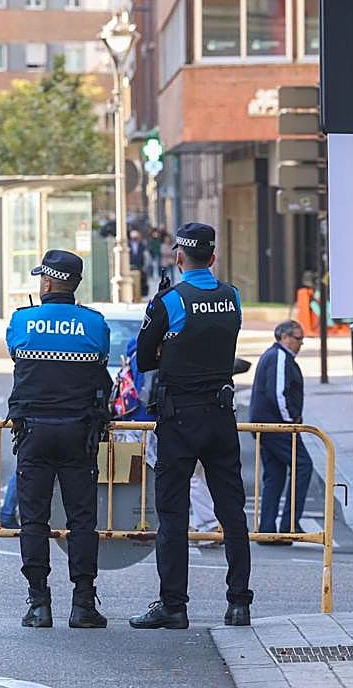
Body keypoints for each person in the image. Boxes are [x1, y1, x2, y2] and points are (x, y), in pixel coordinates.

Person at [129, 222, 252, 630]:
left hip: (179, 418)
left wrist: (169, 348)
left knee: (173, 514)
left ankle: (174, 605)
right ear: (212, 258)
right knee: (232, 512)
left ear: (178, 258)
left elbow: (144, 359)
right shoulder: (231, 295)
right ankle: (238, 604)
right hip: (220, 415)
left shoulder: (170, 301)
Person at [6, 250, 113, 630]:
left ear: (47, 283)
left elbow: (15, 353)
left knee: (33, 519)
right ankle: (83, 603)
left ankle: (39, 603)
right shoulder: (95, 325)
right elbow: (101, 360)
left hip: (34, 434)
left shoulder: (22, 321)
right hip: (78, 435)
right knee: (83, 519)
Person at [249, 320, 312, 536]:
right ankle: (290, 523)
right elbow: (277, 393)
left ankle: (268, 527)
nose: (300, 343)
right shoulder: (280, 357)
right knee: (303, 465)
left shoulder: (276, 356)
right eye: (297, 338)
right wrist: (291, 420)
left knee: (274, 474)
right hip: (277, 426)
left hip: (267, 426)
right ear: (284, 337)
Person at [129, 229, 150, 297]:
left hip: (140, 267)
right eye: (133, 238)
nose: (135, 240)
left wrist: (144, 267)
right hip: (130, 268)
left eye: (136, 238)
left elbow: (146, 257)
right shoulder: (127, 246)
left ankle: (140, 295)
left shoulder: (142, 246)